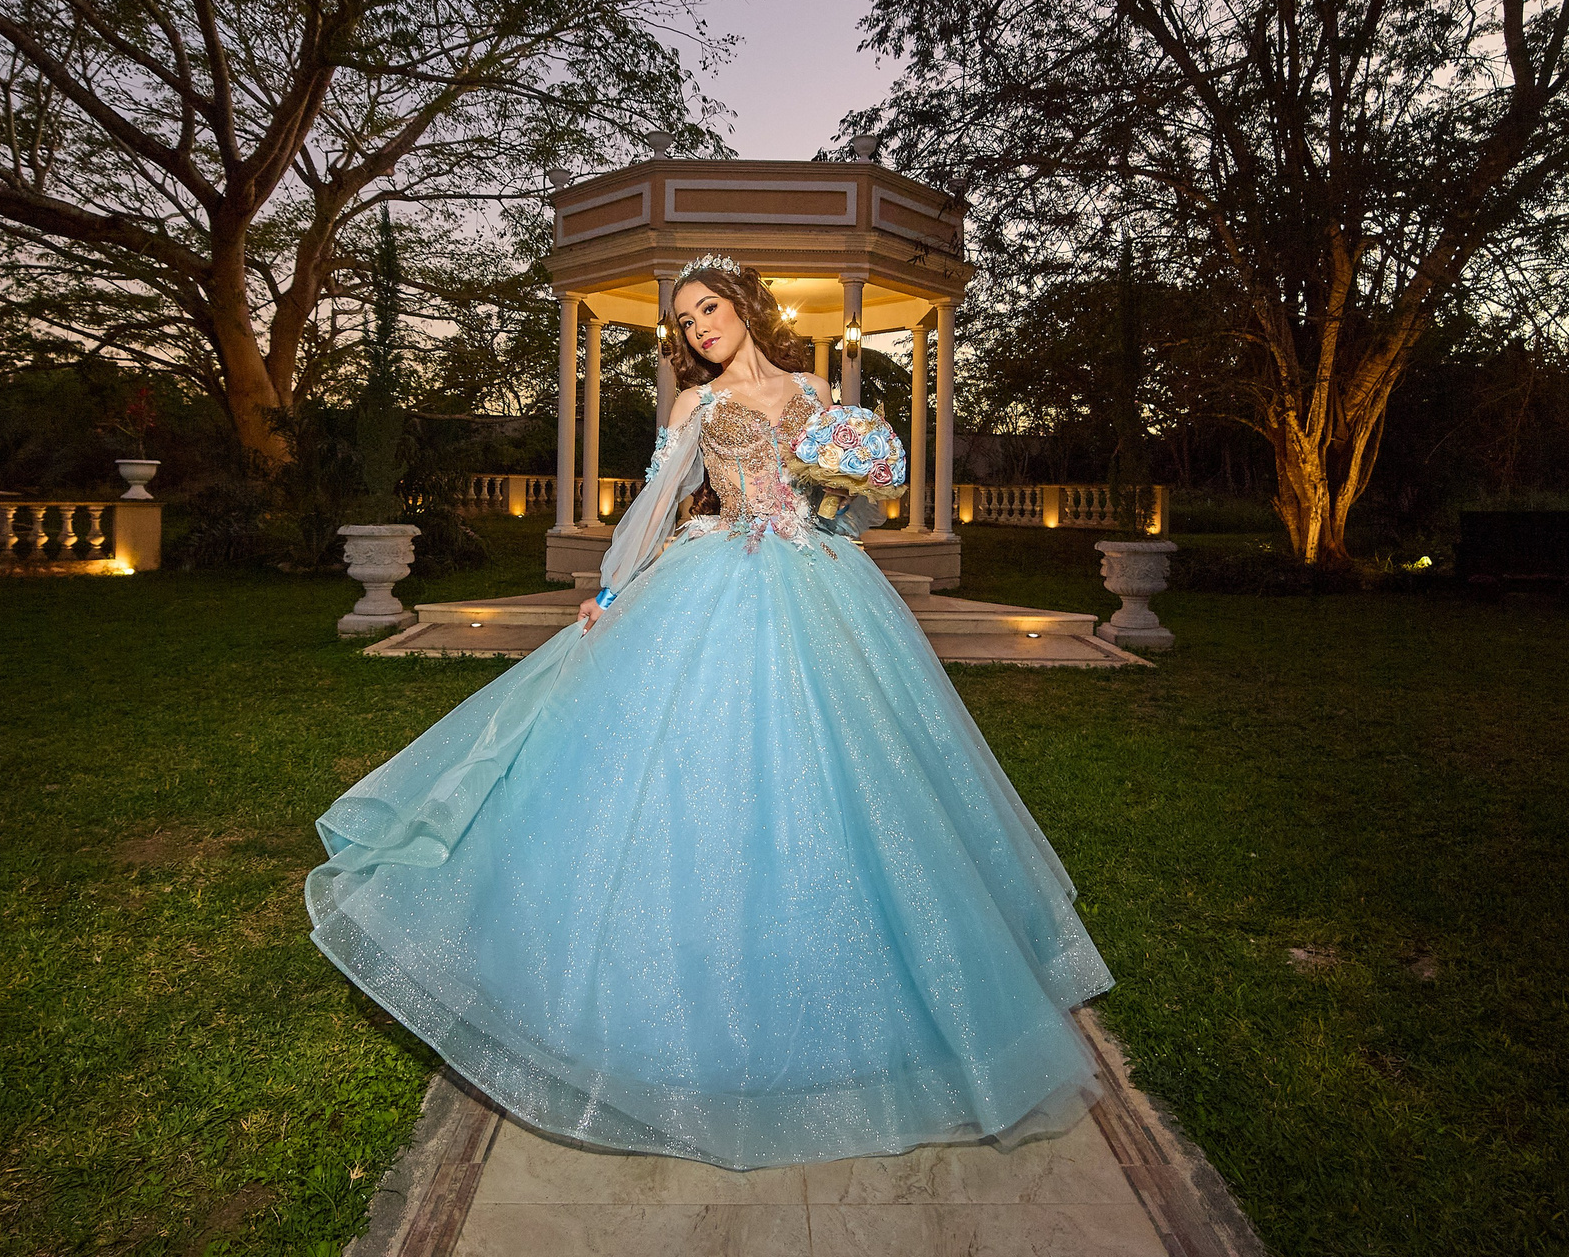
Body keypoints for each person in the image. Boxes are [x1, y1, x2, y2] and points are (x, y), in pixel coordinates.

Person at [303, 254, 1112, 1169]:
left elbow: (853, 510)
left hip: (823, 584)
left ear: (746, 308)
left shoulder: (816, 389)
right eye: (685, 320)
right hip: (718, 575)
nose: (699, 329)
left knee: (858, 775)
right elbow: (653, 508)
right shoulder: (693, 408)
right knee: (694, 773)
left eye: (709, 309)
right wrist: (611, 592)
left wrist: (852, 486)